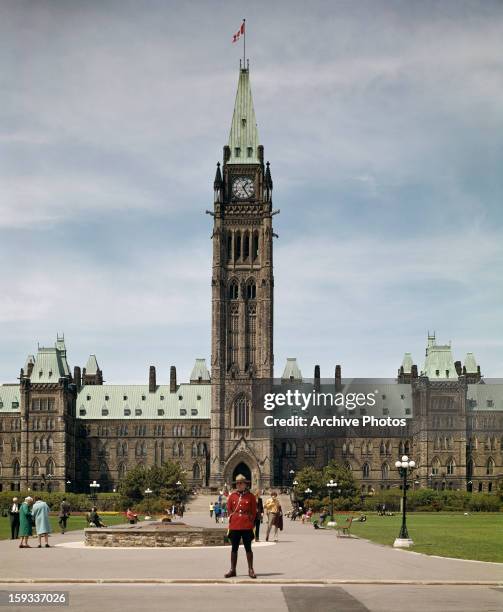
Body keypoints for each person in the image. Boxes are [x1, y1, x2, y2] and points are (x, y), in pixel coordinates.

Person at [225, 474, 257, 579]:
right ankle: (232, 570)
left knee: (248, 548)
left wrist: (250, 521)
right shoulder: (232, 496)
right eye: (237, 483)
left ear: (245, 484)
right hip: (235, 525)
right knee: (234, 549)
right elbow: (229, 509)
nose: (239, 485)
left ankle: (250, 569)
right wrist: (232, 518)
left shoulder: (251, 496)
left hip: (246, 525)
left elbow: (253, 511)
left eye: (241, 483)